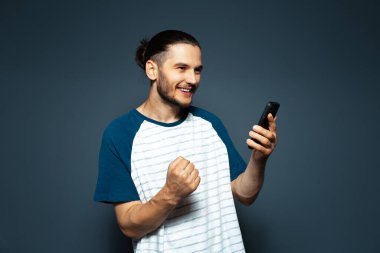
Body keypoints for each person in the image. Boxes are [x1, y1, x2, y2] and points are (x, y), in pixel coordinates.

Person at [94, 30, 277, 252]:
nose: (192, 80)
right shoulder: (120, 133)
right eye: (181, 68)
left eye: (197, 70)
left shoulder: (209, 123)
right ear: (152, 69)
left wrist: (259, 159)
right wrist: (170, 193)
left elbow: (244, 194)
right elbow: (130, 226)